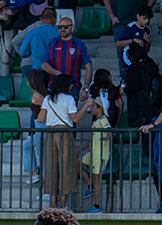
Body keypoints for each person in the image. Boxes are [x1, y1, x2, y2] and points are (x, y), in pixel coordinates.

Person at [40, 74, 93, 210]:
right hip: (65, 133)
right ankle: (63, 204)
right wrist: (86, 104)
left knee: (51, 167)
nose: (71, 86)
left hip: (51, 133)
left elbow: (40, 119)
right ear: (65, 85)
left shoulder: (48, 98)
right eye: (70, 84)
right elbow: (74, 119)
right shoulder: (69, 99)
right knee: (66, 167)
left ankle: (52, 204)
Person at [42, 16, 93, 103]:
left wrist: (86, 88)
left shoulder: (79, 44)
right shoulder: (53, 43)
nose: (62, 29)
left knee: (71, 116)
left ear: (72, 27)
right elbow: (44, 65)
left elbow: (89, 66)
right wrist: (59, 74)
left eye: (65, 27)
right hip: (54, 86)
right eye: (60, 27)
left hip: (72, 87)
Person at [79, 96, 112, 214]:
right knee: (78, 164)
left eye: (93, 106)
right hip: (93, 152)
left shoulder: (103, 119)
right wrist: (81, 149)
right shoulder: (95, 122)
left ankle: (97, 206)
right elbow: (93, 140)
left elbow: (109, 130)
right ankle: (90, 186)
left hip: (99, 154)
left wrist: (107, 136)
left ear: (100, 108)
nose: (92, 108)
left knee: (96, 179)